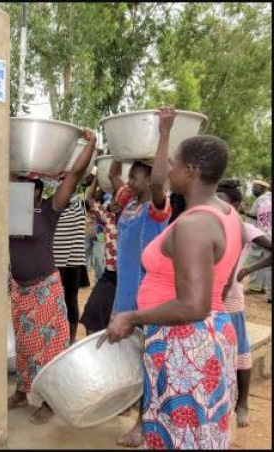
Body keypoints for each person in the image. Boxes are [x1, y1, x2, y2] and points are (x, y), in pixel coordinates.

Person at [100, 133, 243, 449]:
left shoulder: (194, 225)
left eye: (174, 162)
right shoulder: (228, 215)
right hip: (208, 335)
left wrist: (133, 315)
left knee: (181, 433)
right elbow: (222, 283)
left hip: (185, 342)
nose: (168, 170)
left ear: (190, 170)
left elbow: (194, 305)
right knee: (197, 431)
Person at [8, 128, 96, 425]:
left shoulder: (49, 209)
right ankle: (22, 391)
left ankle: (49, 401)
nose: (19, 190)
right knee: (24, 345)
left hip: (46, 288)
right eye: (17, 185)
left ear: (38, 191)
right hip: (20, 290)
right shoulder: (9, 213)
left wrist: (91, 143)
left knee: (51, 350)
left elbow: (73, 175)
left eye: (27, 186)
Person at [107, 107, 174, 447]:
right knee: (132, 359)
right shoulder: (131, 206)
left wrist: (164, 133)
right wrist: (115, 150)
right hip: (124, 296)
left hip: (149, 301)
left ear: (148, 181)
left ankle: (143, 424)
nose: (129, 182)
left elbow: (162, 181)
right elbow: (112, 178)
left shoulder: (157, 209)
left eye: (136, 178)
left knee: (149, 362)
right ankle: (138, 406)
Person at [217, 180, 272, 428]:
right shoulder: (207, 223)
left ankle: (243, 403)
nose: (217, 205)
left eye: (223, 201)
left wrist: (249, 268)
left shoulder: (244, 228)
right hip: (207, 296)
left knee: (240, 352)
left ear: (237, 205)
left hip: (230, 299)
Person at [80, 174, 123, 335]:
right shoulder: (109, 219)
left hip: (131, 282)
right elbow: (89, 199)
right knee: (91, 318)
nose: (115, 202)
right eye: (113, 199)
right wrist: (99, 176)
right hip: (109, 277)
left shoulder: (138, 218)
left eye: (121, 199)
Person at [53, 179, 91, 345]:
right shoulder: (53, 208)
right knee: (57, 302)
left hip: (70, 264)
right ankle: (60, 338)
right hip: (56, 264)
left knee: (71, 301)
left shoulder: (80, 206)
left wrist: (93, 179)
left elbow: (92, 195)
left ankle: (72, 339)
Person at [245, 180, 271, 299]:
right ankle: (259, 287)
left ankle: (256, 287)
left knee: (256, 259)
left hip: (260, 233)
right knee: (263, 260)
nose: (253, 189)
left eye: (256, 187)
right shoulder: (263, 198)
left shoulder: (263, 199)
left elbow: (260, 217)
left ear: (263, 188)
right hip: (261, 232)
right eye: (253, 187)